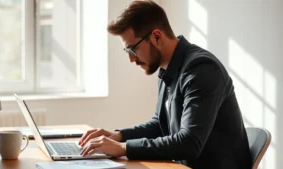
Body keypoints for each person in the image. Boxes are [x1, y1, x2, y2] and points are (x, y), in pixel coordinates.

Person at [78, 1, 251, 169]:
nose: (131, 59)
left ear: (156, 37)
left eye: (132, 49)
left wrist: (124, 148)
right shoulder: (167, 68)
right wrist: (118, 136)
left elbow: (189, 143)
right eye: (127, 51)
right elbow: (160, 124)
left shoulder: (201, 69)